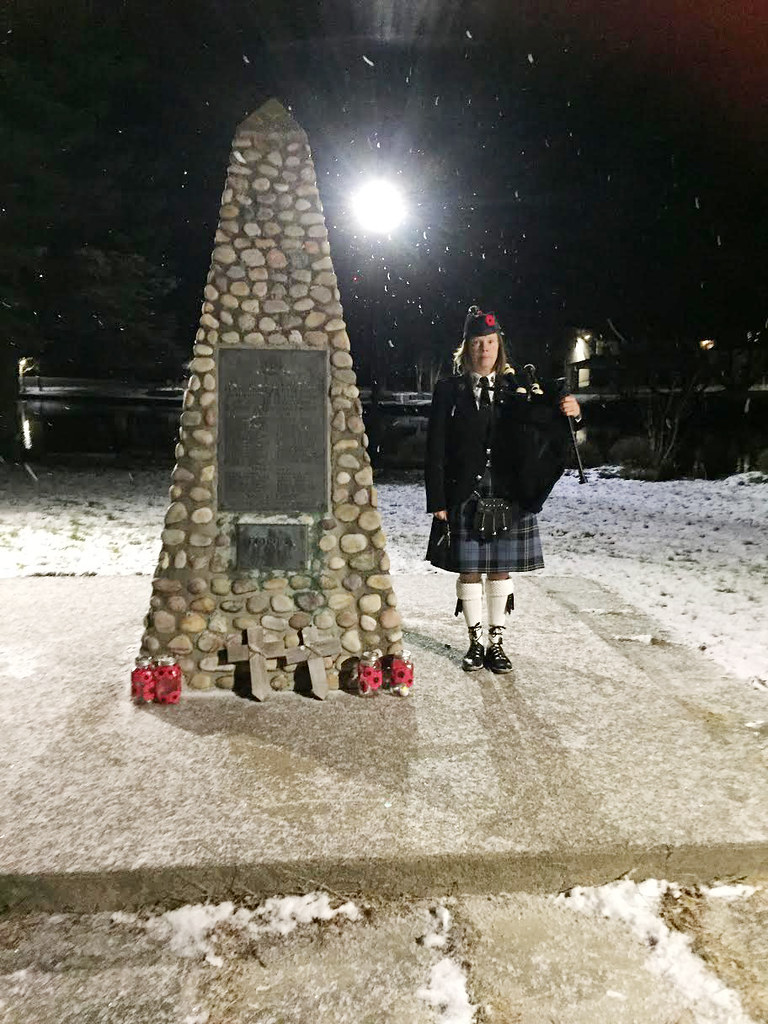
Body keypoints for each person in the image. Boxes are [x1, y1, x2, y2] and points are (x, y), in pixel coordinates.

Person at [425, 305, 582, 674]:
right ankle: (474, 643)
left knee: (499, 571)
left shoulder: (519, 388)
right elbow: (435, 448)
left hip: (510, 490)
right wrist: (438, 501)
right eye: (477, 343)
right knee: (469, 571)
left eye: (490, 342)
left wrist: (573, 412)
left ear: (500, 346)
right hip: (464, 490)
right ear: (466, 348)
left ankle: (497, 643)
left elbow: (550, 420)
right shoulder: (449, 389)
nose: (484, 350)